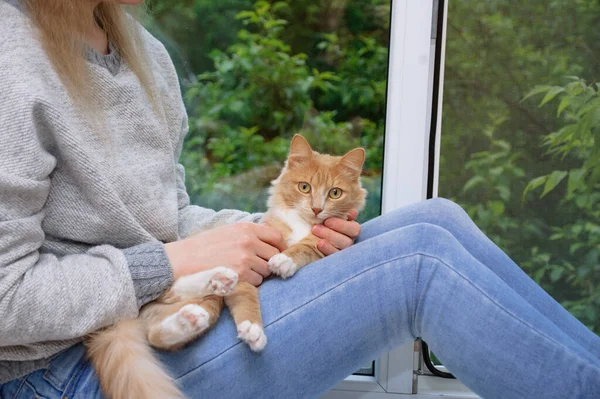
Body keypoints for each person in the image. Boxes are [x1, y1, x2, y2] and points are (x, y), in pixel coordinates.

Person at [0, 1, 598, 398]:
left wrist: (282, 233)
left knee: (437, 220)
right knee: (419, 264)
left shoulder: (143, 53)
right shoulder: (13, 56)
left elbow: (168, 215)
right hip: (67, 366)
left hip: (169, 298)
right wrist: (168, 263)